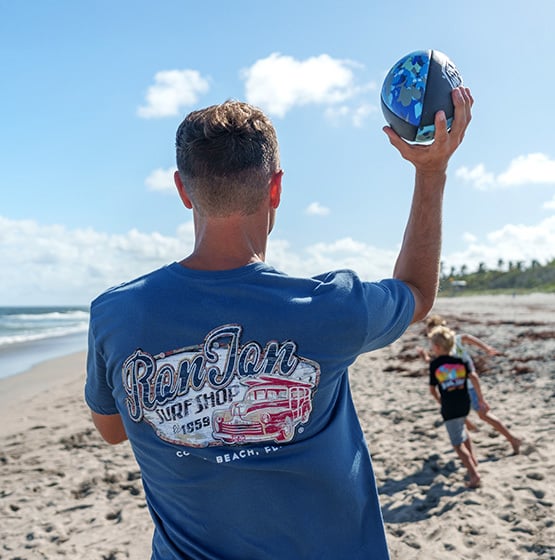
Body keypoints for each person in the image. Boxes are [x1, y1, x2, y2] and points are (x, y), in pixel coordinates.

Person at [85, 88, 473, 559]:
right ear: (276, 188)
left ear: (183, 189)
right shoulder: (331, 306)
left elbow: (112, 428)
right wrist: (431, 172)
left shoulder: (115, 313)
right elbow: (417, 292)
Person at [419, 314, 522, 454]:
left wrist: (487, 348)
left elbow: (469, 338)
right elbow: (437, 366)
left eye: (432, 332)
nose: (431, 335)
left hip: (469, 385)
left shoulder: (457, 340)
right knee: (460, 418)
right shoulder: (440, 350)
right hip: (455, 389)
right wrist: (425, 357)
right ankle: (472, 455)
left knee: (483, 414)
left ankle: (512, 439)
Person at [428, 325, 485, 488]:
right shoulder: (461, 360)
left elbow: (432, 389)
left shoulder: (435, 365)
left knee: (457, 444)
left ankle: (474, 474)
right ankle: (473, 459)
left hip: (449, 406)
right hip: (464, 402)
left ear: (437, 347)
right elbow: (474, 377)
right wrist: (481, 399)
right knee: (462, 430)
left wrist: (440, 401)